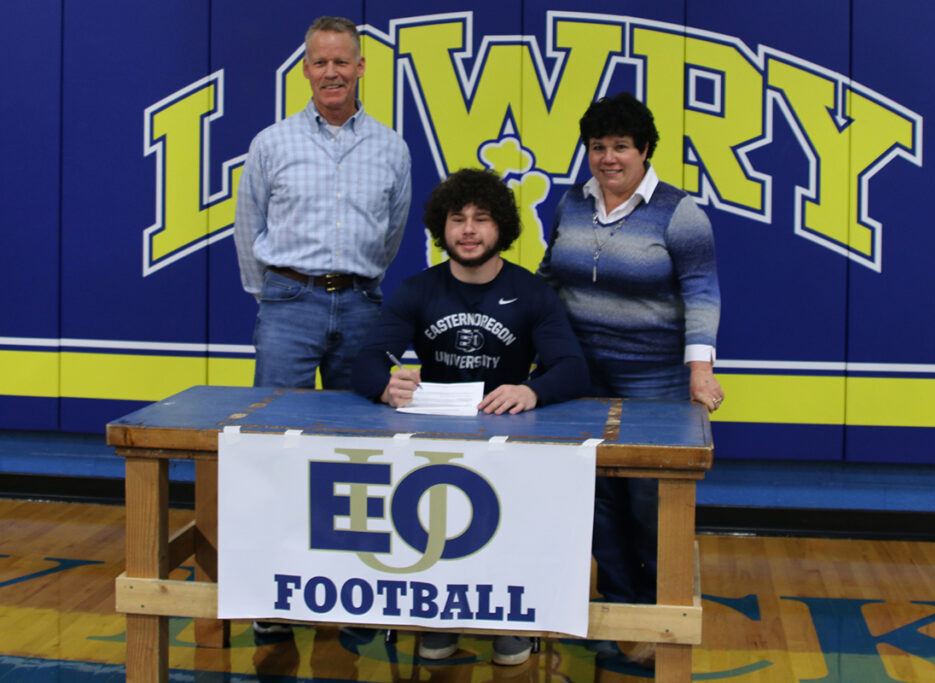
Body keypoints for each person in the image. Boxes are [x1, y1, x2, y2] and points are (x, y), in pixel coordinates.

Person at [352, 168, 589, 664]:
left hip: (509, 443)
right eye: (457, 219)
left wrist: (532, 390)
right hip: (438, 442)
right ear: (442, 228)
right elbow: (369, 360)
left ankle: (512, 620)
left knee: (512, 524)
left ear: (500, 227)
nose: (468, 230)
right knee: (438, 522)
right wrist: (384, 385)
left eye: (481, 219)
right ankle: (441, 618)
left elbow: (572, 368)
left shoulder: (531, 291)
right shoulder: (417, 290)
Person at [537, 92, 724, 665]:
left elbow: (702, 291)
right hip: (579, 379)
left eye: (621, 146)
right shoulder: (570, 204)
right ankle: (617, 609)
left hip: (655, 384)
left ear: (645, 150)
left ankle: (657, 611)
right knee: (595, 501)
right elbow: (549, 279)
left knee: (649, 502)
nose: (608, 157)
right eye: (598, 146)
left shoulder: (681, 213)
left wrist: (700, 369)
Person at [234, 16, 412, 391]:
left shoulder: (392, 147)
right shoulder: (271, 144)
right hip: (288, 304)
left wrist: (362, 279)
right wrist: (270, 293)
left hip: (362, 304)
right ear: (306, 69)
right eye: (320, 63)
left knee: (355, 428)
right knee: (274, 423)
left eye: (342, 62)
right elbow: (248, 225)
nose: (331, 73)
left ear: (360, 67)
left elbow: (392, 232)